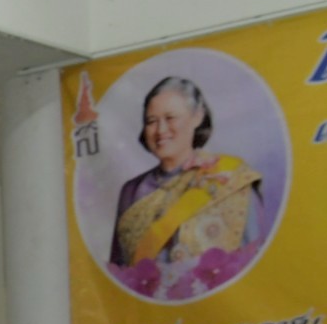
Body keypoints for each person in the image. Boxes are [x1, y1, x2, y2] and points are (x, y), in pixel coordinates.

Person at [106, 76, 269, 299]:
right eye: (151, 121)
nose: (161, 130)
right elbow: (119, 275)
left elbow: (258, 259)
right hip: (150, 322)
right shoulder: (131, 191)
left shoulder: (229, 177)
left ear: (197, 117)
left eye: (170, 117)